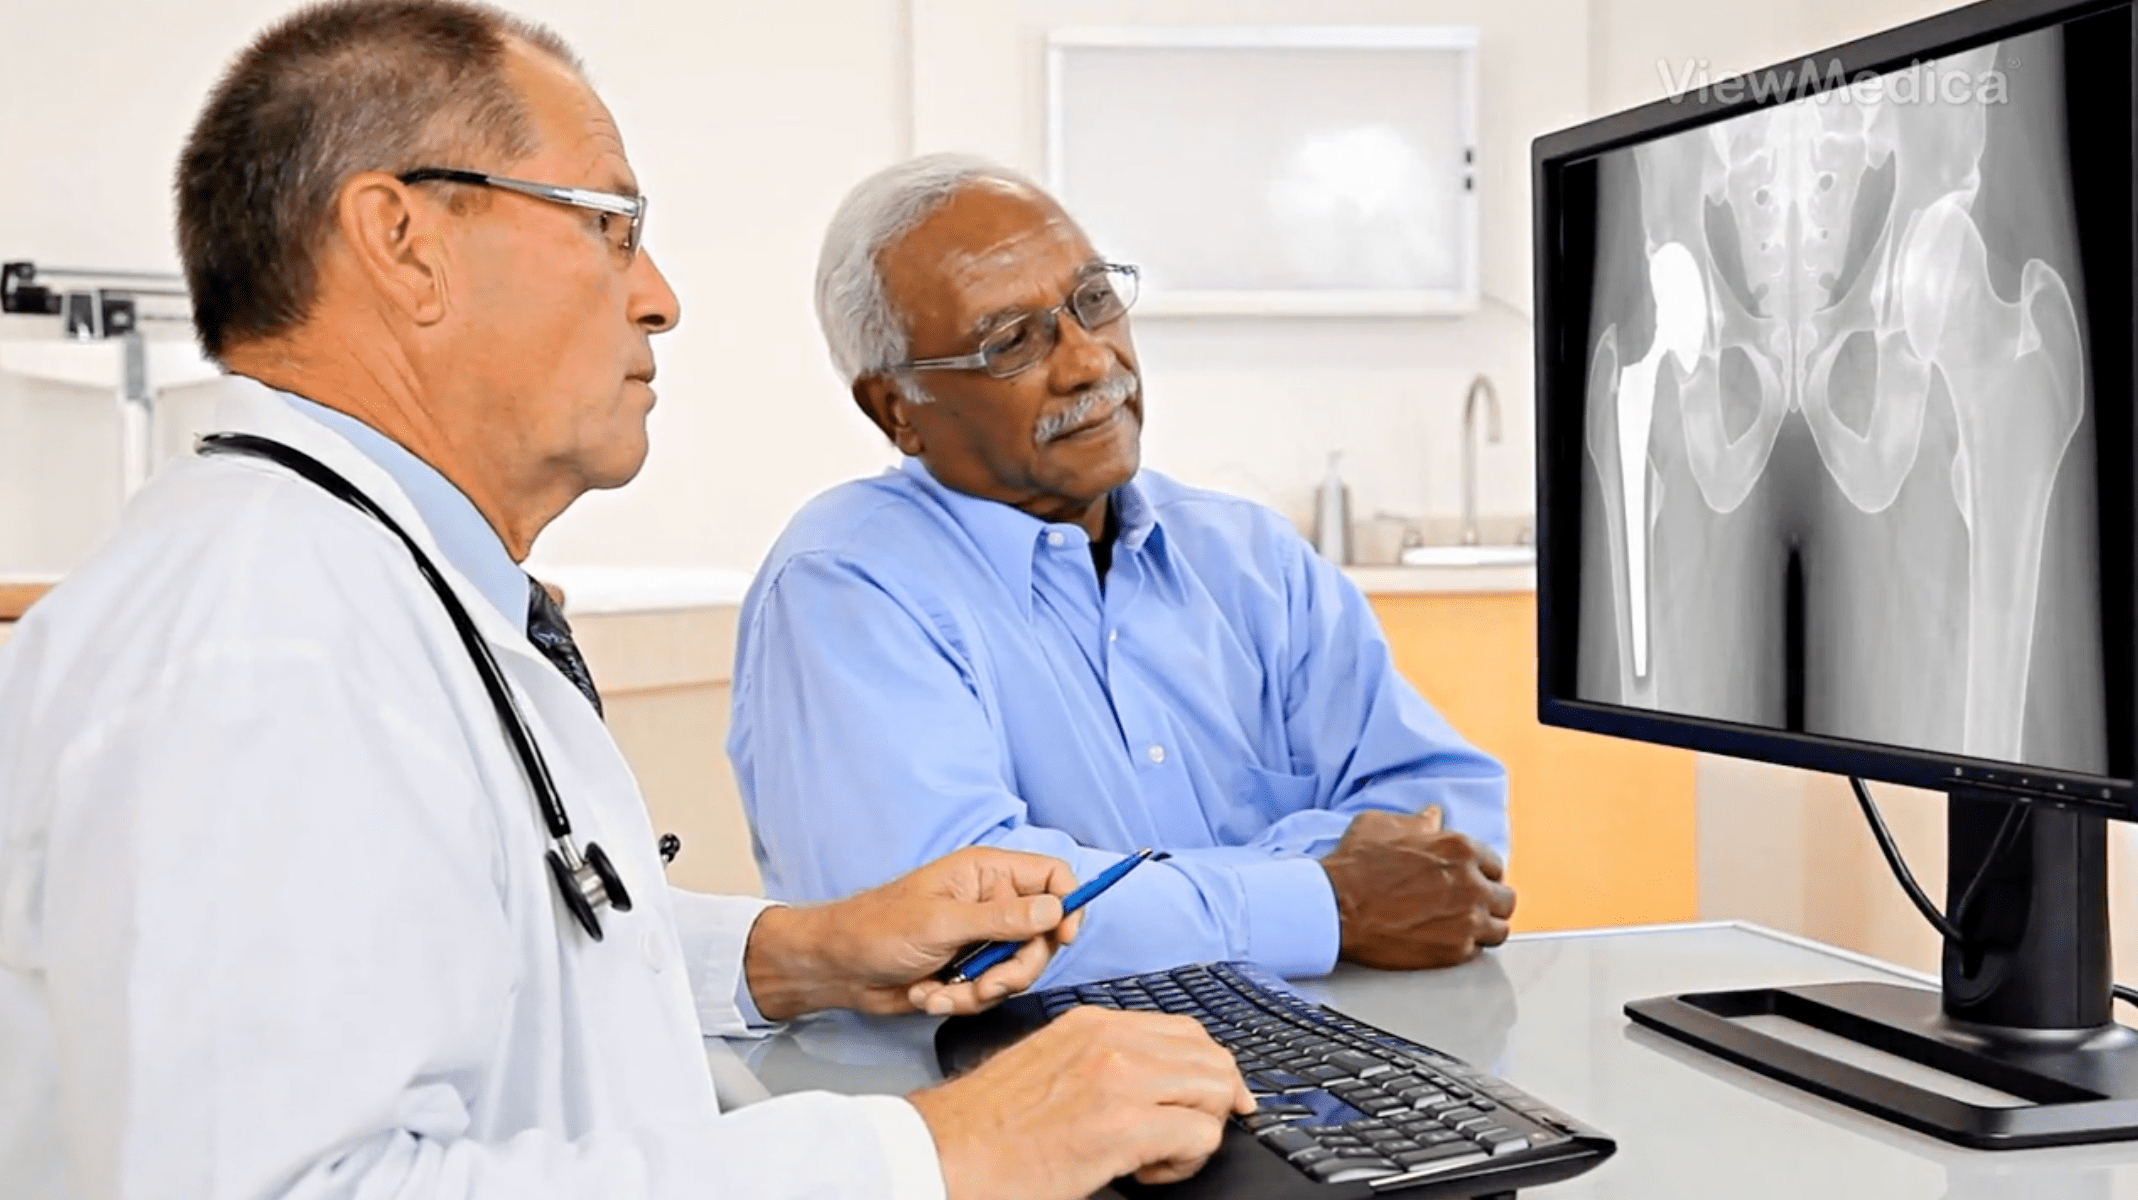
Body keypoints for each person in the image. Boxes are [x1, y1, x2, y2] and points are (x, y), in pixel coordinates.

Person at [0, 5, 1252, 1199]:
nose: (657, 293)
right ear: (402, 243)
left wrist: (800, 954)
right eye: (609, 223)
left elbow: (486, 961)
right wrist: (939, 1154)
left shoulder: (369, 586)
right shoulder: (261, 650)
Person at [729, 154, 1519, 989]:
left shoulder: (1251, 558)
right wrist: (1323, 895)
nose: (1089, 361)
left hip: (1317, 1069)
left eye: (1094, 302)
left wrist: (1200, 899)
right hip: (992, 1096)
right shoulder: (846, 586)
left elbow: (1450, 833)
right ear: (899, 410)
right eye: (1012, 341)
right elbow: (965, 929)